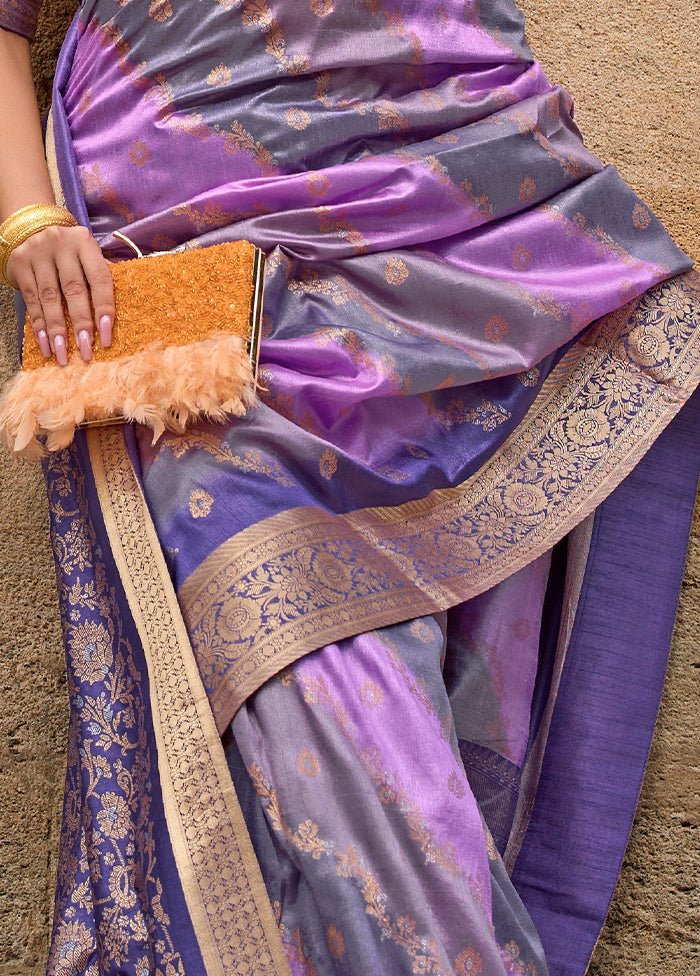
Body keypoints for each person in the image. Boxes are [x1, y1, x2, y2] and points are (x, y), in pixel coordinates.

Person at [0, 1, 698, 974]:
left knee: (466, 681)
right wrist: (27, 215)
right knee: (273, 608)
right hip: (197, 191)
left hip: (457, 176)